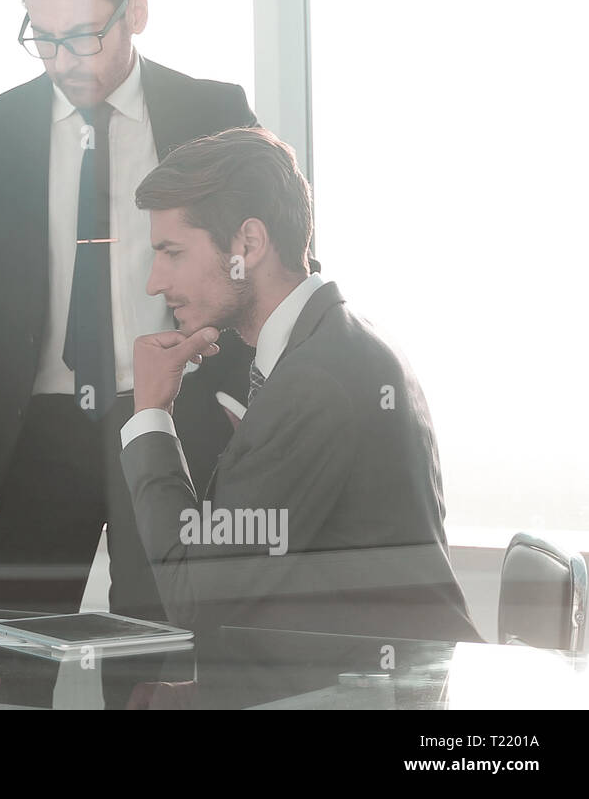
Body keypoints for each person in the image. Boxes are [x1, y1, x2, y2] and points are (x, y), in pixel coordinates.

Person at [0, 0, 260, 619]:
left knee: (167, 665)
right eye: (41, 37)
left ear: (136, 10)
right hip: (31, 439)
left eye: (82, 35)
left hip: (177, 423)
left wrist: (232, 405)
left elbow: (268, 275)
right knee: (0, 670)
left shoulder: (214, 114)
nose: (62, 60)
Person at [122, 126, 483, 642]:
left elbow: (194, 596)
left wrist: (150, 416)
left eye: (172, 252)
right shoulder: (340, 343)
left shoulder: (313, 381)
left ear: (248, 242)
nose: (155, 282)